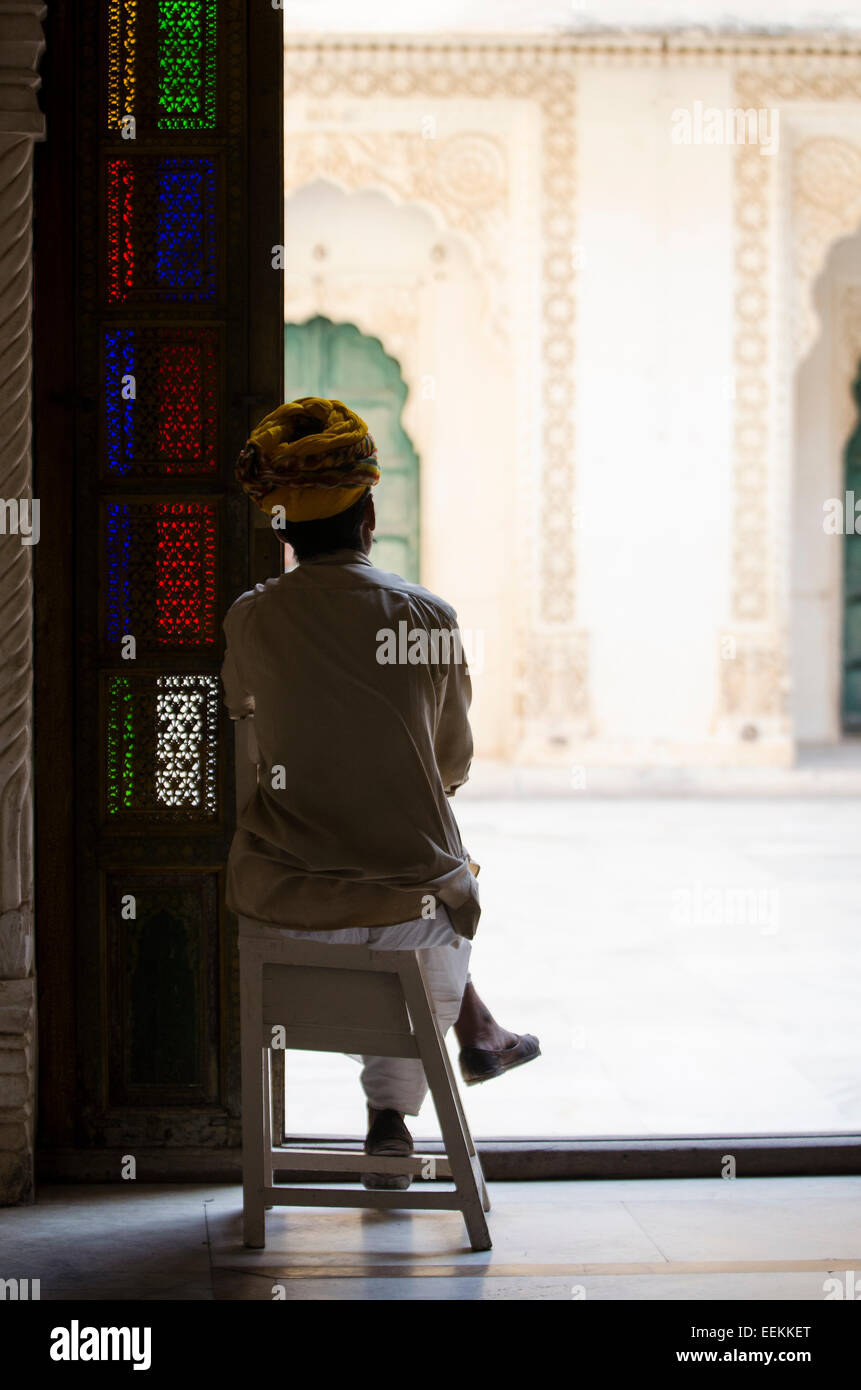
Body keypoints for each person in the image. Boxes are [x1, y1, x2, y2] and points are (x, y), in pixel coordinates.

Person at [222, 397, 539, 1188]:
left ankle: (413, 1100)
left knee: (376, 885)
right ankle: (394, 1116)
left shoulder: (253, 620)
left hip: (285, 918)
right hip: (415, 926)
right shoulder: (428, 617)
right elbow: (453, 762)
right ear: (369, 514)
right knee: (427, 889)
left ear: (284, 530)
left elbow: (244, 719)